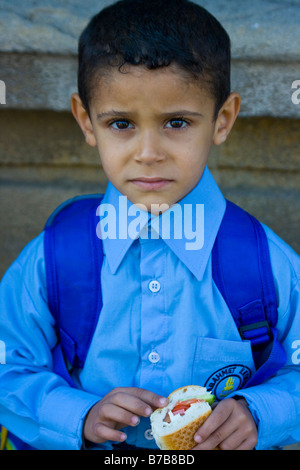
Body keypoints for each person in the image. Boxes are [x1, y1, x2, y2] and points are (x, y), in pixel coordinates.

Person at [0, 0, 299, 451]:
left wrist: (260, 412)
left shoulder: (263, 262)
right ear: (86, 121)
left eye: (176, 122)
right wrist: (77, 414)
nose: (148, 152)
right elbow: (9, 363)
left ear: (223, 120)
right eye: (121, 123)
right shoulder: (55, 258)